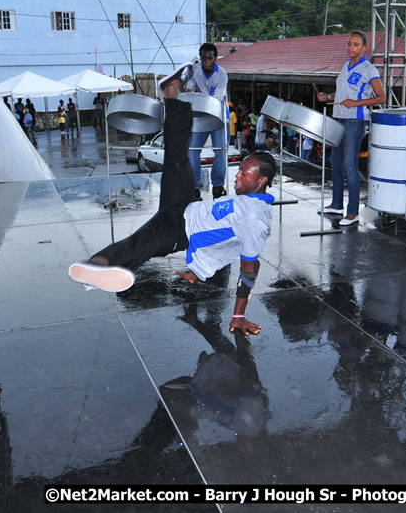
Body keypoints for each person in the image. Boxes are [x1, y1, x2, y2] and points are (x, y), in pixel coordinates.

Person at [68, 67, 276, 335]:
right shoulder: (252, 203)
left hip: (178, 230)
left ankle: (94, 268)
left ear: (261, 181)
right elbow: (230, 242)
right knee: (177, 151)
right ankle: (172, 94)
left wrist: (238, 314)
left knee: (137, 245)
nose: (237, 176)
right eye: (240, 170)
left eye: (244, 174)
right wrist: (200, 272)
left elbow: (249, 268)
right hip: (187, 201)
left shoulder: (254, 220)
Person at [317, 31, 386, 226]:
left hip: (354, 122)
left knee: (349, 165)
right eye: (349, 44)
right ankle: (336, 204)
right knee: (335, 161)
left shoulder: (369, 69)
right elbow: (342, 93)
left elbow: (381, 97)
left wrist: (356, 103)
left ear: (364, 48)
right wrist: (329, 98)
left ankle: (353, 212)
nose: (351, 47)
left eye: (356, 44)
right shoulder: (346, 65)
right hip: (339, 118)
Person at [186, 43, 230, 200]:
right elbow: (190, 89)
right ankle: (193, 187)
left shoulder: (222, 74)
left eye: (210, 58)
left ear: (215, 58)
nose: (206, 61)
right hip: (201, 116)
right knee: (192, 150)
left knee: (220, 150)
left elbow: (216, 99)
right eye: (203, 57)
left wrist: (200, 95)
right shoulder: (195, 71)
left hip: (218, 115)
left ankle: (217, 186)